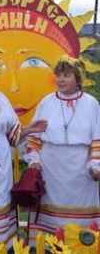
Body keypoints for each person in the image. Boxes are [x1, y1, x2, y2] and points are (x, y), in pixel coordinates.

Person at [0, 53, 47, 253]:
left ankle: (2, 247)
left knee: (2, 196)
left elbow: (12, 133)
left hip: (2, 159)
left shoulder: (1, 97)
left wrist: (28, 130)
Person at [24, 54, 100, 246]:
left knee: (80, 227)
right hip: (51, 169)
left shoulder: (91, 104)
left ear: (78, 78)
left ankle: (81, 245)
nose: (60, 79)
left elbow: (97, 137)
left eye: (66, 75)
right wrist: (34, 160)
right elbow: (34, 136)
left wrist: (95, 163)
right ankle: (47, 246)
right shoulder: (46, 102)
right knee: (50, 227)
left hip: (81, 171)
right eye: (58, 75)